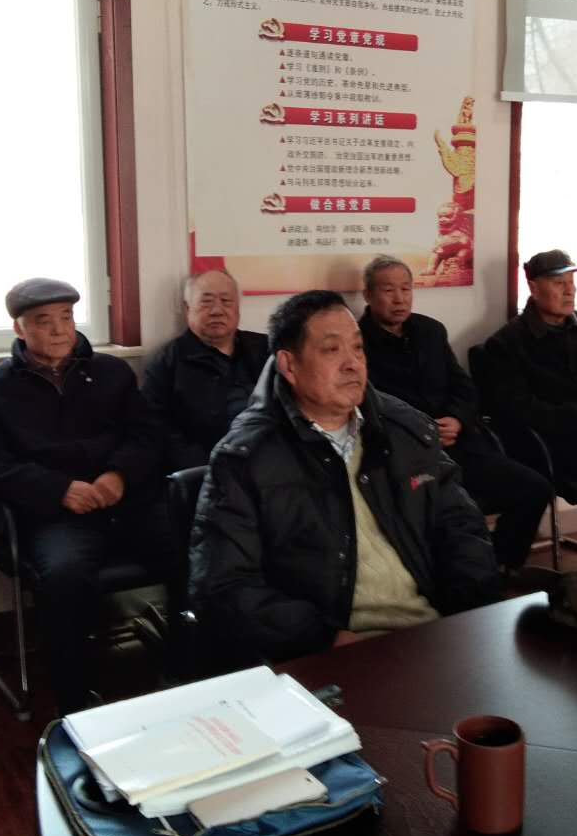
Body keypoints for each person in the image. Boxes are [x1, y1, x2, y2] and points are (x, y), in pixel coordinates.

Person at [189, 290, 499, 665]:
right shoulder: (244, 458)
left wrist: (465, 610)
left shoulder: (405, 429)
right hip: (331, 651)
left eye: (358, 347)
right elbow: (224, 586)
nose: (352, 364)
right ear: (289, 366)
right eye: (332, 350)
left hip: (432, 632)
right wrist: (323, 639)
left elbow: (461, 525)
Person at [0, 278, 167, 715]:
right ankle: (75, 698)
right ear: (19, 329)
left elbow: (148, 435)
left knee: (193, 538)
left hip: (125, 502)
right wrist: (58, 490)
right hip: (57, 515)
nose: (59, 330)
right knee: (64, 574)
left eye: (67, 318)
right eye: (44, 321)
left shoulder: (112, 373)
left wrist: (119, 474)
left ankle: (194, 661)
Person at [358, 255, 553, 572]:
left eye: (406, 289)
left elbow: (464, 387)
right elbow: (368, 407)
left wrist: (458, 419)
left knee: (534, 488)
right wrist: (423, 431)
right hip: (407, 456)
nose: (399, 299)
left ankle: (499, 567)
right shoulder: (357, 344)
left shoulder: (430, 332)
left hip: (459, 444)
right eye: (388, 290)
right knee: (446, 514)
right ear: (368, 295)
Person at [479, 249, 577, 499]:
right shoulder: (507, 343)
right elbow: (517, 408)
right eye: (559, 283)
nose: (570, 291)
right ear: (533, 288)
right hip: (559, 439)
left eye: (571, 282)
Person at [142, 269, 269, 472]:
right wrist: (208, 469)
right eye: (206, 302)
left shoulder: (265, 349)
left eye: (226, 301)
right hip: (204, 470)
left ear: (237, 308)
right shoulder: (167, 362)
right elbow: (157, 428)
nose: (217, 310)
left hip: (267, 462)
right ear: (187, 309)